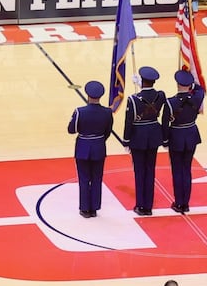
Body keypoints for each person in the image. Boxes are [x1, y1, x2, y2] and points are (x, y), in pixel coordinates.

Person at [122, 67, 166, 217]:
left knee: (139, 172)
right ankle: (149, 204)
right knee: (150, 170)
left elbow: (129, 121)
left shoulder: (133, 99)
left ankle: (141, 205)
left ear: (142, 81)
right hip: (154, 134)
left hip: (138, 136)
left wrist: (126, 140)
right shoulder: (160, 96)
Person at [68, 81, 113, 217]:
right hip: (99, 146)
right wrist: (98, 140)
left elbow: (71, 130)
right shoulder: (107, 112)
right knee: (96, 178)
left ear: (87, 95)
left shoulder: (80, 111)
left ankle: (85, 208)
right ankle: (94, 208)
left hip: (83, 147)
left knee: (83, 178)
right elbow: (108, 132)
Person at [163, 69, 205, 214]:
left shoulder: (170, 102)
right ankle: (185, 203)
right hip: (191, 135)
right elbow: (200, 88)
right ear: (189, 85)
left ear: (177, 84)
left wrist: (165, 141)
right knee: (187, 170)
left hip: (176, 136)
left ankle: (179, 202)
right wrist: (192, 84)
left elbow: (164, 125)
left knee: (177, 171)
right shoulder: (197, 97)